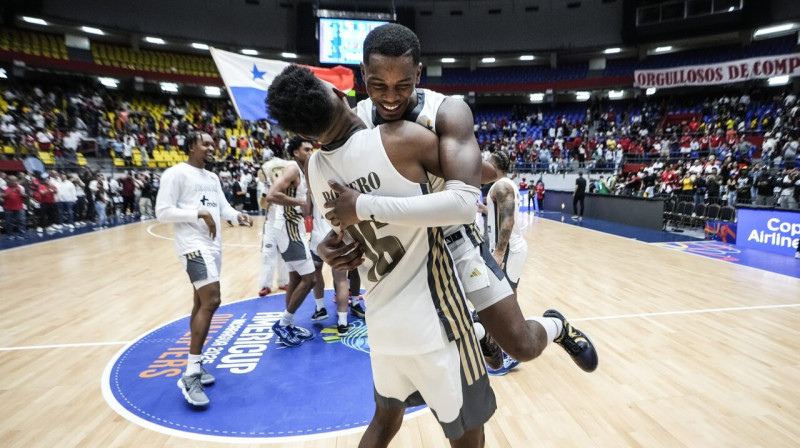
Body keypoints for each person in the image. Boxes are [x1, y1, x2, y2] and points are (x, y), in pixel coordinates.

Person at [319, 23, 597, 379]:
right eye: (378, 85)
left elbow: (463, 204)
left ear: (419, 73)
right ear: (363, 75)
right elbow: (337, 198)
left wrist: (363, 207)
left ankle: (555, 326)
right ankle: (479, 334)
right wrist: (331, 246)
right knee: (429, 345)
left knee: (520, 346)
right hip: (405, 252)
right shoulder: (355, 121)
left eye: (403, 85)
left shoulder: (447, 112)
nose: (390, 97)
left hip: (457, 241)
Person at [267, 63, 494, 448]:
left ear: (305, 134)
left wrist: (324, 248)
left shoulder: (317, 169)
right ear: (341, 96)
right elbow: (474, 180)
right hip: (437, 322)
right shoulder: (401, 137)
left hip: (381, 323)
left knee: (384, 422)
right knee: (467, 432)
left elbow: (334, 238)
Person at [155, 131, 252, 407]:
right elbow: (162, 212)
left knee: (200, 303)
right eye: (206, 144)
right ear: (190, 146)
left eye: (213, 144)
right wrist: (198, 213)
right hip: (192, 246)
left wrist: (237, 216)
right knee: (212, 300)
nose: (212, 148)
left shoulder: (212, 178)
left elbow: (223, 207)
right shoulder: (176, 174)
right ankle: (191, 374)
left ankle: (195, 362)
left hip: (213, 246)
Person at [264, 137, 318, 347]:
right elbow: (271, 195)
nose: (310, 153)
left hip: (290, 227)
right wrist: (300, 201)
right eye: (306, 149)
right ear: (295, 152)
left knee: (294, 279)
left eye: (311, 149)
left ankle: (290, 325)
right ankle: (283, 323)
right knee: (310, 279)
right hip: (288, 228)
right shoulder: (292, 168)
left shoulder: (303, 171)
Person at [486, 152, 528, 294]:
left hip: (508, 248)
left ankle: (511, 317)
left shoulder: (502, 186)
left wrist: (499, 253)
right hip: (509, 248)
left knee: (503, 295)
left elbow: (508, 220)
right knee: (507, 293)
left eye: (487, 162)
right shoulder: (506, 184)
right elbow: (501, 213)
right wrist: (484, 209)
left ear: (493, 166)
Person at [257, 149, 290, 296]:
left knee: (284, 254)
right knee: (267, 254)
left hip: (285, 223)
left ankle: (284, 281)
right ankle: (265, 284)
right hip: (270, 224)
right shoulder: (264, 185)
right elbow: (263, 205)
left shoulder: (290, 185)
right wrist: (266, 192)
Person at [1, 174, 27, 239]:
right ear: (8, 181)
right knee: (9, 222)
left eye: (15, 180)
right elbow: (1, 196)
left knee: (21, 221)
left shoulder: (20, 187)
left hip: (19, 207)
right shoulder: (4, 187)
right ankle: (10, 235)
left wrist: (20, 193)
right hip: (8, 208)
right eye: (12, 180)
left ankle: (21, 235)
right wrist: (7, 194)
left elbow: (25, 196)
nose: (14, 182)